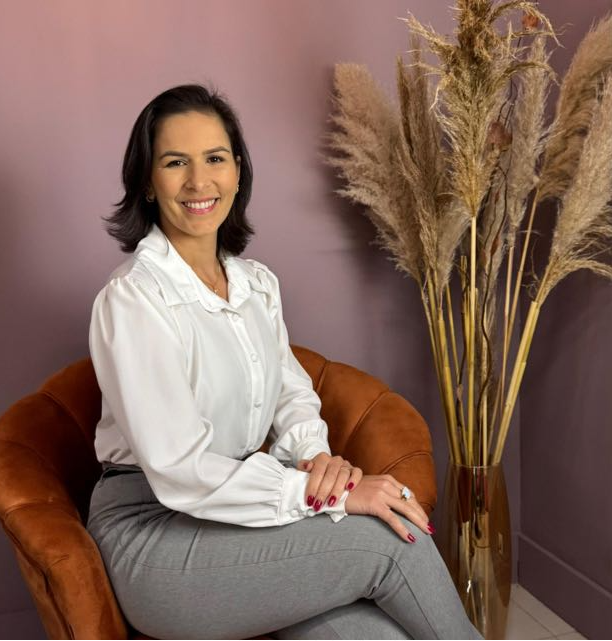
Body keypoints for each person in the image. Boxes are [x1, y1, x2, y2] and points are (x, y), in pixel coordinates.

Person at [87, 84, 482, 640]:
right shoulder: (134, 298)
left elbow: (290, 393)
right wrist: (326, 496)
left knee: (377, 634)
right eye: (175, 162)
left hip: (234, 516)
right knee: (392, 538)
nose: (199, 182)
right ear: (148, 183)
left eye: (215, 158)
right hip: (155, 534)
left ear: (238, 172)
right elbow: (179, 468)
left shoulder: (255, 285)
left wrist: (317, 460)